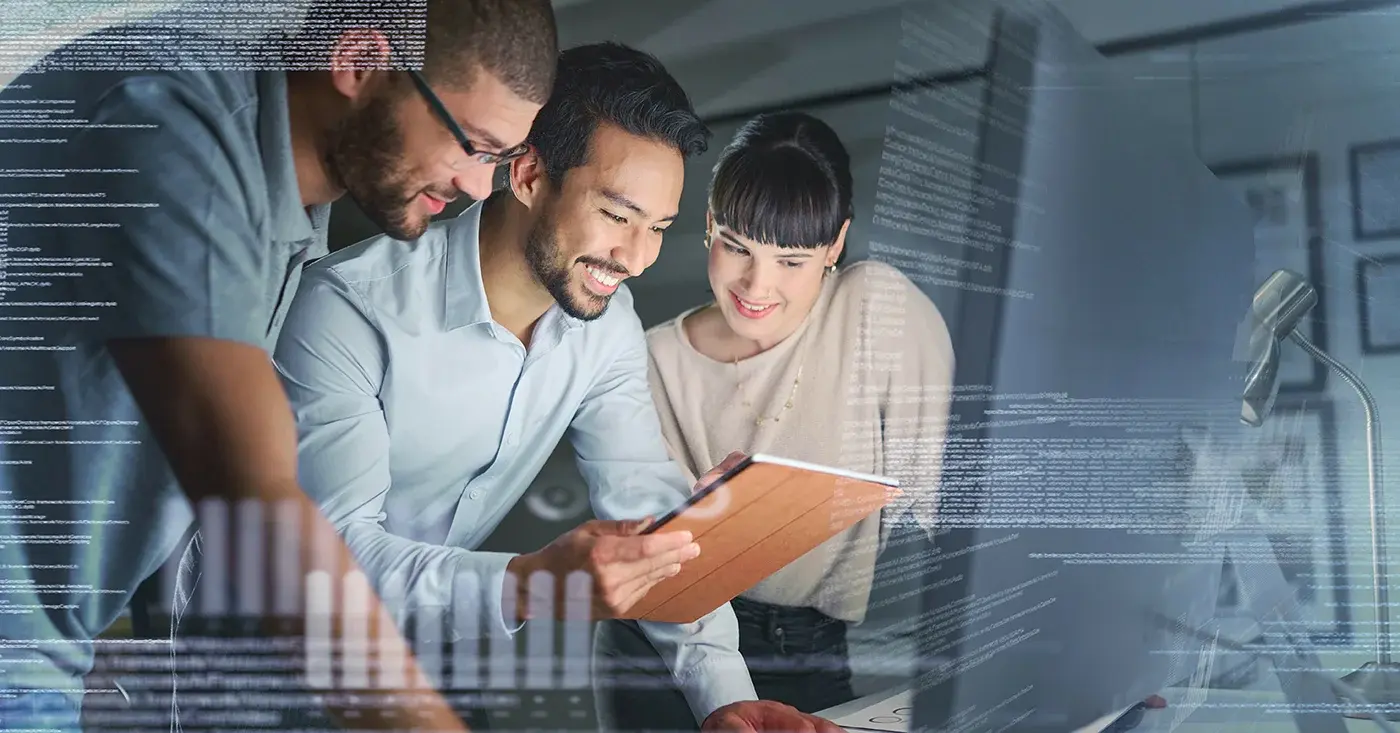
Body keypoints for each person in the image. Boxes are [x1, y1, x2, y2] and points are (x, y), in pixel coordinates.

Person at [0, 1, 557, 730]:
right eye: (471, 145)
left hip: (45, 644)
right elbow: (253, 498)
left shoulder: (289, 191)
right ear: (358, 61)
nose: (479, 187)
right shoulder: (170, 119)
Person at [273, 42, 843, 733]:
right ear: (531, 174)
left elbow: (645, 505)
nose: (635, 258)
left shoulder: (605, 327)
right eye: (617, 214)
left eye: (659, 228)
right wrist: (531, 583)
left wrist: (726, 697)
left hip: (434, 661)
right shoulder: (346, 310)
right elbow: (335, 561)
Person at [593, 111, 955, 727]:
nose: (756, 287)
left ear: (834, 245)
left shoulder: (875, 309)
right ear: (709, 226)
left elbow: (954, 503)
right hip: (665, 647)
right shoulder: (652, 357)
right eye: (737, 247)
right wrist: (707, 525)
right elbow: (654, 563)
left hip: (809, 645)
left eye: (792, 260)